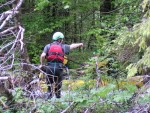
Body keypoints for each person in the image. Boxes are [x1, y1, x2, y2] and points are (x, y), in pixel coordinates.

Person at [39, 32, 83, 98]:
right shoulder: (63, 46)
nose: (62, 40)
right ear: (59, 39)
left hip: (49, 68)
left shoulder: (48, 46)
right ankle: (58, 99)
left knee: (49, 87)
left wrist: (42, 65)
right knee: (58, 87)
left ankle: (48, 101)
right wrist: (80, 44)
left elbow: (43, 56)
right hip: (59, 69)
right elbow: (72, 46)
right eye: (62, 39)